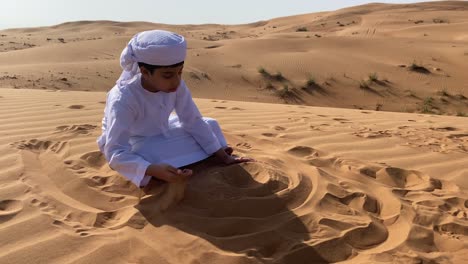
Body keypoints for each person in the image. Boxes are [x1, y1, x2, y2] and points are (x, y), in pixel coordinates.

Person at [97, 29, 251, 188]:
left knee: (210, 124)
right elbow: (115, 150)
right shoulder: (123, 98)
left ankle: (190, 159)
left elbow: (192, 120)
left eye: (180, 72)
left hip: (161, 132)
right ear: (145, 72)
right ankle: (160, 168)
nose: (177, 81)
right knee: (147, 153)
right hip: (135, 142)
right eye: (168, 75)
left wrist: (223, 158)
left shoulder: (177, 86)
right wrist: (152, 169)